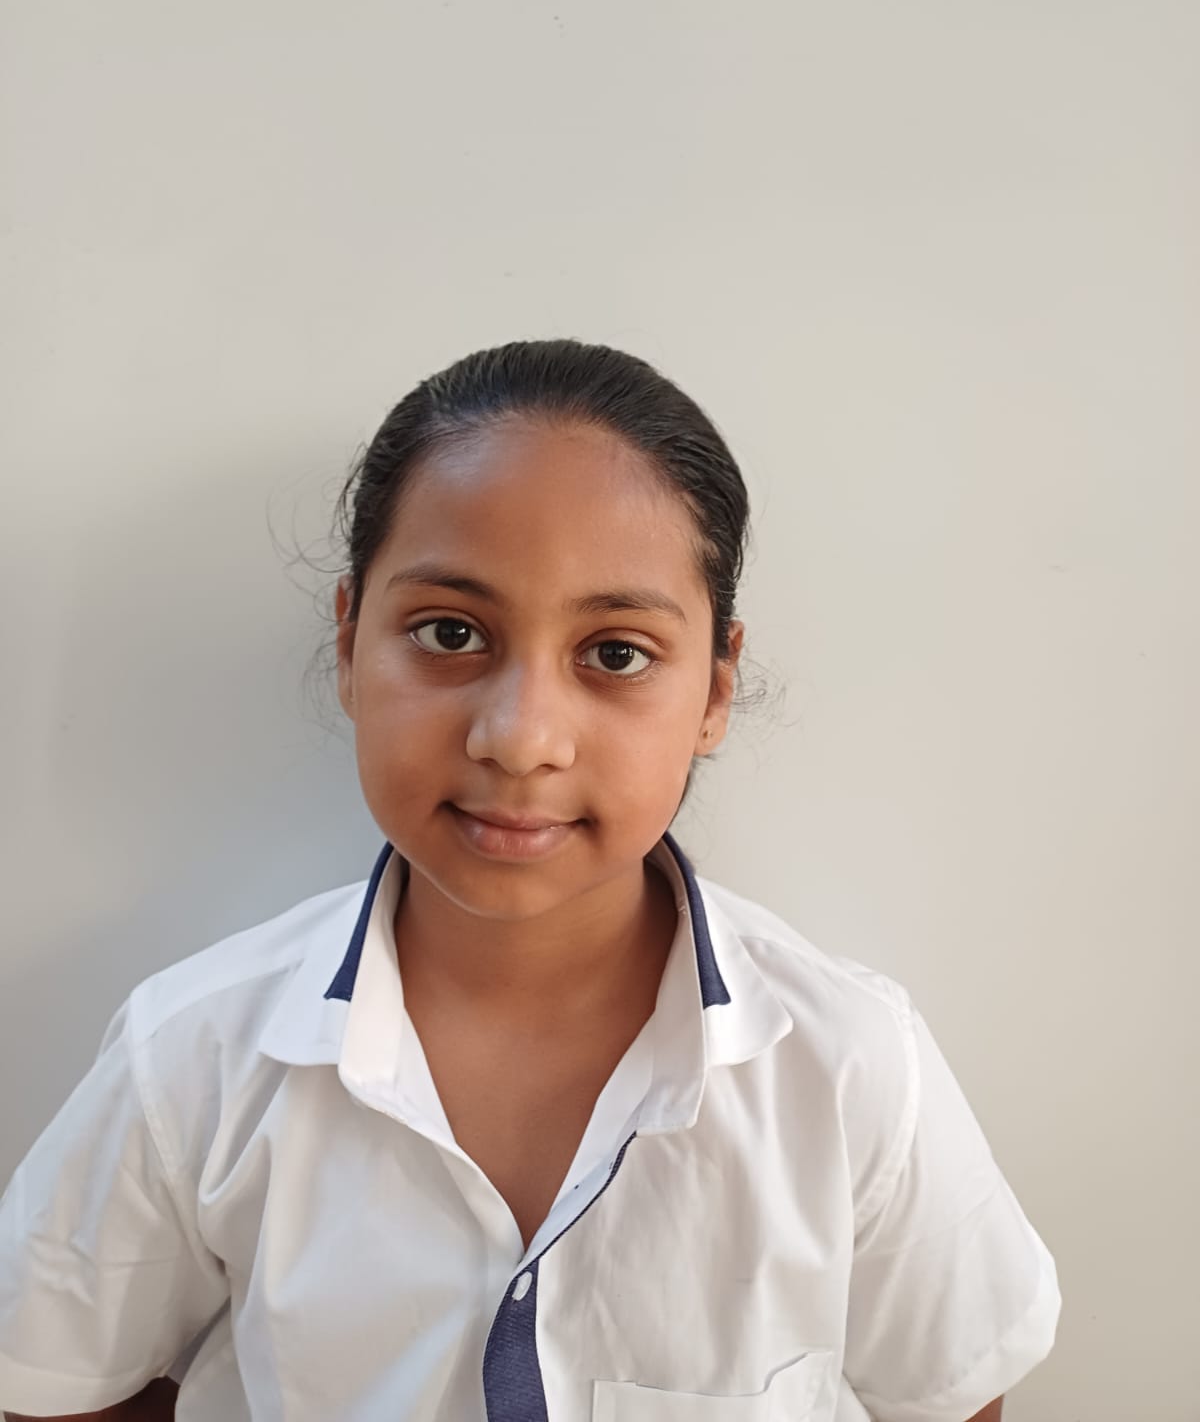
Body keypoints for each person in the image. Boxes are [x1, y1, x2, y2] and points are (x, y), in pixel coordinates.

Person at [0, 339, 1060, 1421]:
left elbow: (953, 1398)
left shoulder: (851, 1067)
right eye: (450, 633)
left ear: (713, 692)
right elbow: (58, 1383)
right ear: (351, 643)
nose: (520, 738)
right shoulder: (191, 1060)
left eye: (616, 653)